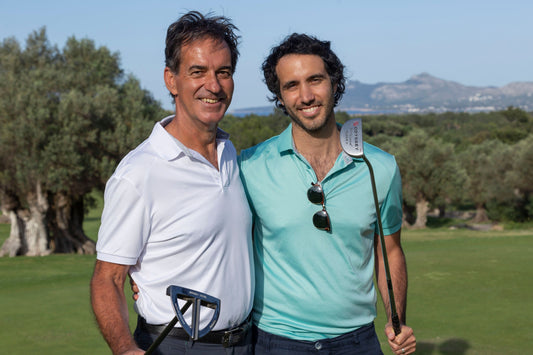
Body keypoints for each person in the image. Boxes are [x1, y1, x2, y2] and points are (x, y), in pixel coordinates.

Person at [238, 33, 417, 354]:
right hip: (276, 342)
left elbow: (389, 252)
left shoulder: (381, 167)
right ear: (280, 96)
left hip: (357, 342)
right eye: (291, 85)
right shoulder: (249, 166)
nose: (305, 95)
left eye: (315, 80)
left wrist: (396, 318)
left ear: (335, 84)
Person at [90, 11, 254, 355]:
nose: (213, 85)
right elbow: (108, 279)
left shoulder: (230, 154)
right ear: (171, 79)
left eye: (223, 72)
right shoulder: (139, 172)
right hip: (176, 346)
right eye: (198, 72)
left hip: (246, 343)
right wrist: (123, 348)